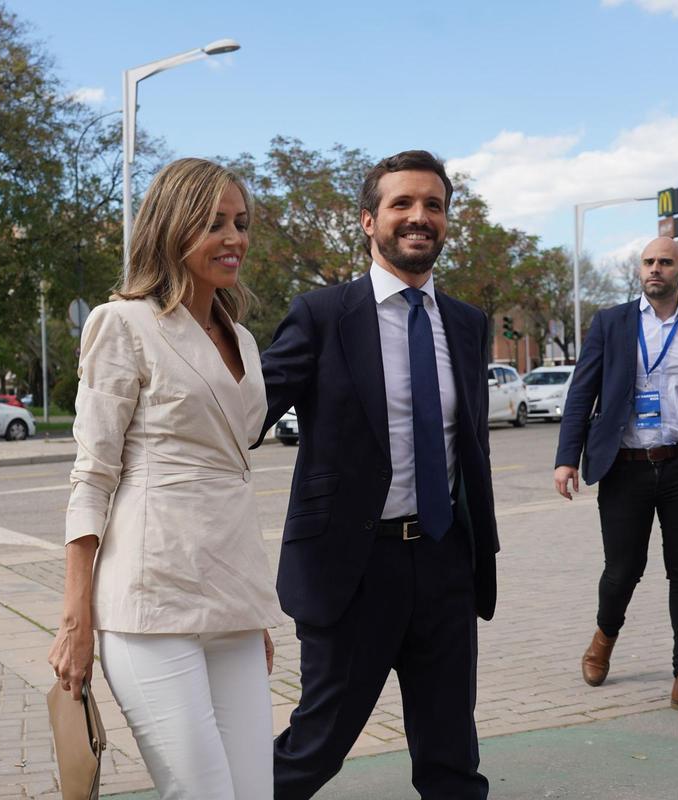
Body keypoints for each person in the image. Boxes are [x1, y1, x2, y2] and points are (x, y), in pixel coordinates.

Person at [257, 150, 498, 799]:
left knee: (452, 756)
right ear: (368, 221)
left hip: (446, 561)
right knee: (317, 746)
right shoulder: (323, 315)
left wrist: (478, 550)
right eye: (403, 204)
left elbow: (469, 446)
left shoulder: (468, 325)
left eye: (434, 205)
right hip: (353, 570)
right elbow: (245, 415)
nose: (420, 217)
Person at [48, 158, 284, 800]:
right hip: (150, 602)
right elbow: (91, 475)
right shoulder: (121, 324)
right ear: (171, 228)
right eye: (213, 223)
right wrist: (76, 619)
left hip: (232, 599)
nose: (234, 237)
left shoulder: (242, 339)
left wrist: (253, 607)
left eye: (240, 222)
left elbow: (229, 473)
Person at [553, 236, 678, 726]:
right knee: (623, 569)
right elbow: (582, 394)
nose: (655, 269)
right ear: (639, 270)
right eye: (648, 262)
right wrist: (566, 458)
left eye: (665, 262)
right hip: (624, 466)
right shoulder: (610, 322)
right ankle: (604, 637)